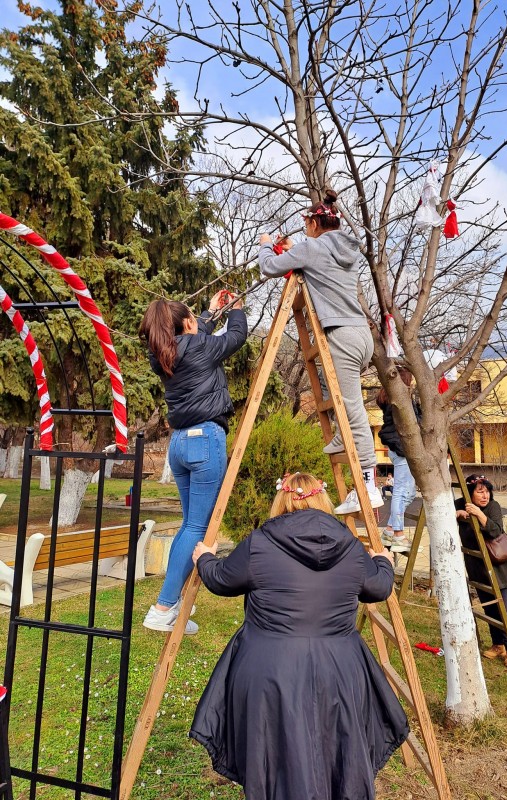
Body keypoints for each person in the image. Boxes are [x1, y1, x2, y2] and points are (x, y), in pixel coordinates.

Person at [190, 472, 410, 800]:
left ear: (282, 499)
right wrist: (384, 562)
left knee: (275, 757)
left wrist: (204, 558)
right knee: (336, 752)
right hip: (339, 670)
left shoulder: (261, 542)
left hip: (272, 672)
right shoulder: (350, 545)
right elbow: (378, 587)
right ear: (322, 500)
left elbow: (222, 580)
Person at [258, 189, 383, 514]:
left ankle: (369, 485)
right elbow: (315, 264)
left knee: (352, 408)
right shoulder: (347, 249)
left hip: (340, 334)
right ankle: (342, 439)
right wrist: (295, 251)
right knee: (330, 388)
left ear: (314, 223)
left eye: (307, 226)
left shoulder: (311, 248)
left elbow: (269, 266)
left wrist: (264, 243)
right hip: (360, 333)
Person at [138, 291, 248, 634]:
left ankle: (172, 603)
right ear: (187, 325)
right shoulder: (198, 346)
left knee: (190, 526)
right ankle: (163, 607)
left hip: (181, 444)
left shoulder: (163, 355)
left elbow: (192, 333)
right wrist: (237, 311)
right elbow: (236, 337)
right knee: (197, 529)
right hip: (205, 440)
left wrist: (211, 312)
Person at [455, 475, 507, 669]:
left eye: (487, 491)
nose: (485, 495)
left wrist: (479, 515)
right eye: (479, 491)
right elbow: (443, 511)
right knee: (489, 608)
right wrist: (457, 513)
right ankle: (498, 644)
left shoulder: (493, 507)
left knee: (504, 610)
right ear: (469, 493)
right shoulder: (460, 503)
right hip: (477, 567)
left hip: (497, 569)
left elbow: (496, 531)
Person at [376, 379, 418, 552]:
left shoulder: (391, 398)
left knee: (409, 492)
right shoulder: (399, 399)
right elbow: (414, 420)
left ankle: (390, 530)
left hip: (397, 449)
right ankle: (398, 535)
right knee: (401, 492)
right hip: (401, 449)